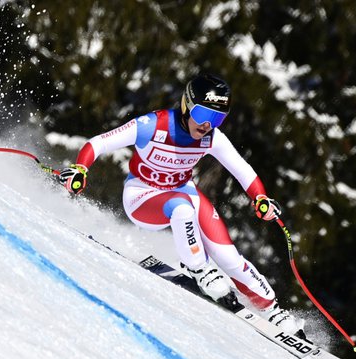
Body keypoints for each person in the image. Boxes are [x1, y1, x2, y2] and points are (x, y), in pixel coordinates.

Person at [59, 73, 306, 337]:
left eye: (218, 119)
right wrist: (80, 169)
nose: (207, 126)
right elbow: (99, 143)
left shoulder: (212, 137)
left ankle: (272, 310)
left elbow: (243, 170)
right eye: (203, 116)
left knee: (229, 256)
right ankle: (199, 268)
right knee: (181, 208)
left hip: (183, 191)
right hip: (142, 196)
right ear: (187, 105)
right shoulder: (152, 125)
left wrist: (260, 198)